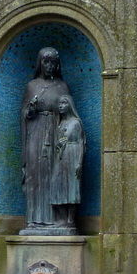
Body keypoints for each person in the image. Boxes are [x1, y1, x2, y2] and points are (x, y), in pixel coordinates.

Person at [20, 47, 82, 233]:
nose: (50, 66)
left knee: (57, 174)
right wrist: (30, 109)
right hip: (35, 133)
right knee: (35, 174)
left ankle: (60, 219)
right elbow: (24, 114)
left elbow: (69, 111)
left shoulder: (63, 86)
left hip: (57, 133)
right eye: (46, 62)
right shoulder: (32, 86)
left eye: (53, 62)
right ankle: (34, 219)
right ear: (40, 63)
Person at [51, 95, 85, 230]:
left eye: (64, 103)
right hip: (61, 158)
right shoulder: (60, 123)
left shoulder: (76, 123)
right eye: (59, 103)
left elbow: (81, 143)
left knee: (72, 188)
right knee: (57, 185)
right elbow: (56, 143)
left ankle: (70, 221)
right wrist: (57, 144)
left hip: (73, 156)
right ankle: (62, 219)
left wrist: (80, 163)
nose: (61, 105)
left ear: (69, 105)